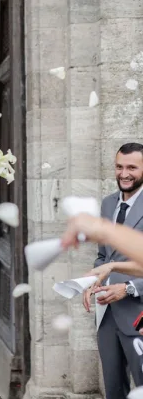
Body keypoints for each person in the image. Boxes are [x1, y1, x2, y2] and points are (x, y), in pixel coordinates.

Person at [77, 143, 143, 398]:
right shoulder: (107, 204)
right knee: (113, 389)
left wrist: (128, 289)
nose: (124, 173)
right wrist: (92, 281)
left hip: (138, 315)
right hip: (107, 316)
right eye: (119, 167)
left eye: (132, 168)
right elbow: (104, 256)